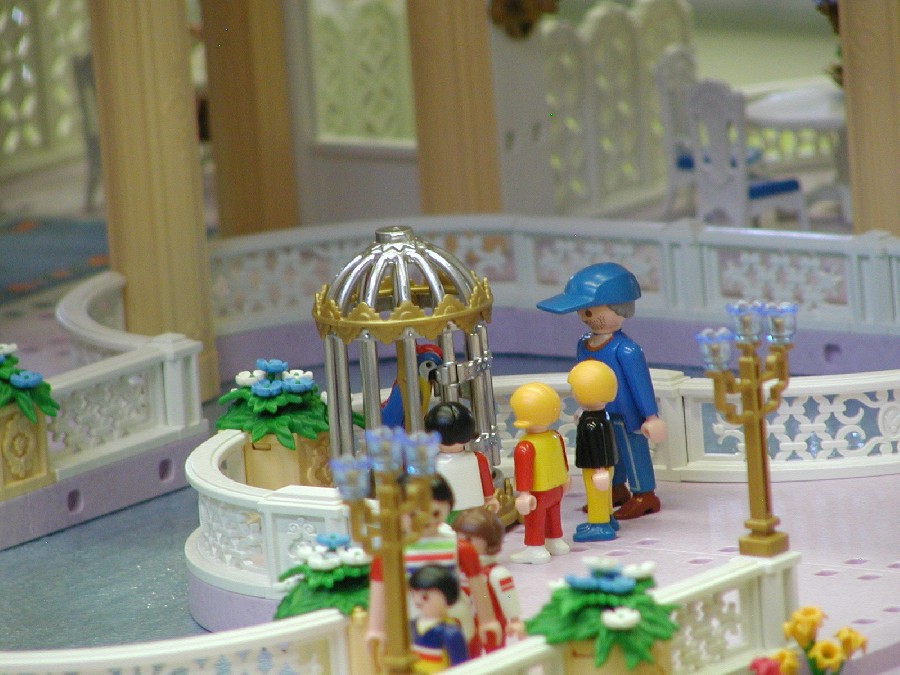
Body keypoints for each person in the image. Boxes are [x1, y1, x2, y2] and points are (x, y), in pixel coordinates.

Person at [537, 262, 667, 520]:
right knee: (609, 452)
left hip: (627, 413)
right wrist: (583, 406)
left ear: (619, 308)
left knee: (634, 451)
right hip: (599, 411)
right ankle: (616, 488)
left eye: (590, 311)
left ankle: (644, 494)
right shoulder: (584, 344)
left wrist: (651, 416)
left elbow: (640, 384)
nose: (586, 317)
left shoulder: (626, 350)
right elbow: (582, 378)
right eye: (582, 312)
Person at [365, 474, 501, 657]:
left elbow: (479, 587)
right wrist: (376, 628)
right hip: (411, 621)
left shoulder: (459, 547)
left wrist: (487, 619)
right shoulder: (392, 552)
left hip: (455, 619)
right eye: (413, 514)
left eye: (435, 513)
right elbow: (379, 590)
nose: (426, 520)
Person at [509, 382, 571, 564]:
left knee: (535, 520)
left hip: (537, 493)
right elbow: (562, 460)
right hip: (556, 489)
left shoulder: (525, 445)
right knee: (553, 516)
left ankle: (535, 548)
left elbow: (523, 471)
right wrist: (565, 479)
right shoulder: (555, 436)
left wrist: (524, 494)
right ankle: (555, 541)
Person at [452, 509, 525, 653]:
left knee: (495, 654)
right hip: (467, 622)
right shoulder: (457, 570)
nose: (461, 545)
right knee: (469, 654)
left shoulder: (496, 574)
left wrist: (514, 619)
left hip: (493, 621)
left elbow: (508, 596)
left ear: (489, 541)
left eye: (468, 540)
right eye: (457, 539)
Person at [568, 359, 619, 542]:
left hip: (596, 467)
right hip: (603, 466)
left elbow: (597, 446)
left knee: (596, 495)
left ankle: (599, 524)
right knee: (604, 494)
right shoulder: (602, 415)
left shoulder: (592, 423)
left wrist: (599, 469)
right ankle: (608, 518)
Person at [424, 401, 499, 522]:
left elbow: (486, 480)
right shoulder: (432, 464)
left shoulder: (477, 459)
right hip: (446, 510)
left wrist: (490, 498)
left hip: (472, 508)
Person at [408, 565, 469, 672]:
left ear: (447, 596)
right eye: (413, 594)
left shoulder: (450, 632)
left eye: (425, 597)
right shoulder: (411, 625)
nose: (417, 601)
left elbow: (461, 666)